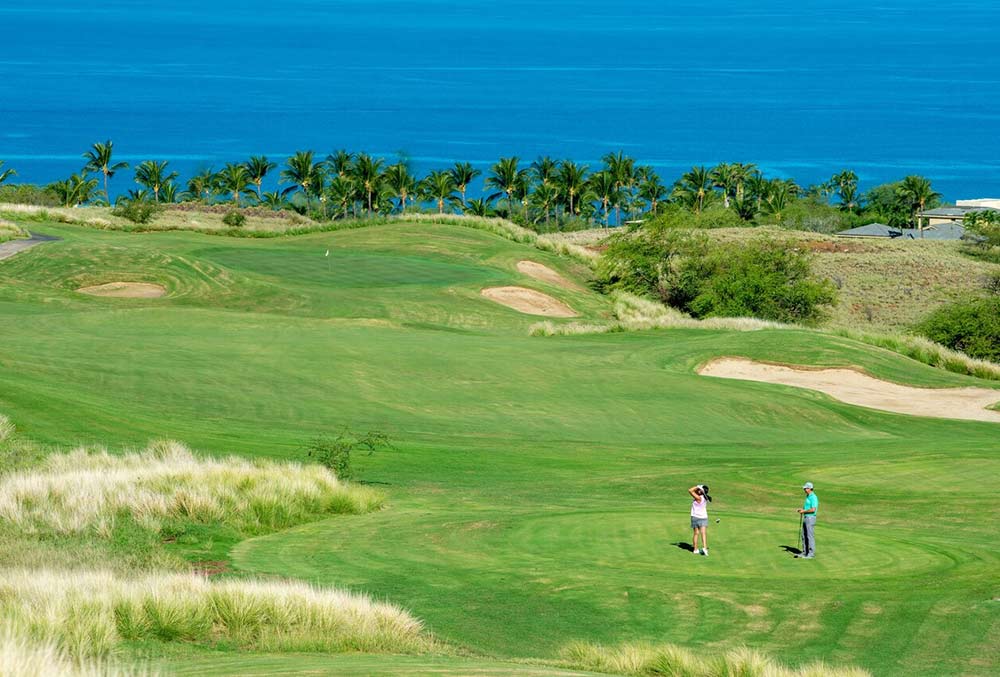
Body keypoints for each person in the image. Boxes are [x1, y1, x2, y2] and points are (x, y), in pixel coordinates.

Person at [796, 482, 819, 559]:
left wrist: (804, 511)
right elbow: (807, 508)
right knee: (803, 535)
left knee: (809, 536)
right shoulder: (808, 496)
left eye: (805, 488)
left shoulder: (813, 497)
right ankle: (805, 552)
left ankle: (811, 554)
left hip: (811, 518)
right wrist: (802, 510)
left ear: (809, 488)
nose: (804, 489)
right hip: (806, 517)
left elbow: (813, 509)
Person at [689, 484, 712, 556]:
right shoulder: (705, 497)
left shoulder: (698, 498)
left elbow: (690, 490)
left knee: (696, 533)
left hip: (695, 517)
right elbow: (694, 491)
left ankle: (695, 550)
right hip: (703, 517)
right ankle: (704, 548)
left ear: (701, 491)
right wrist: (700, 489)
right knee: (703, 533)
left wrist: (698, 486)